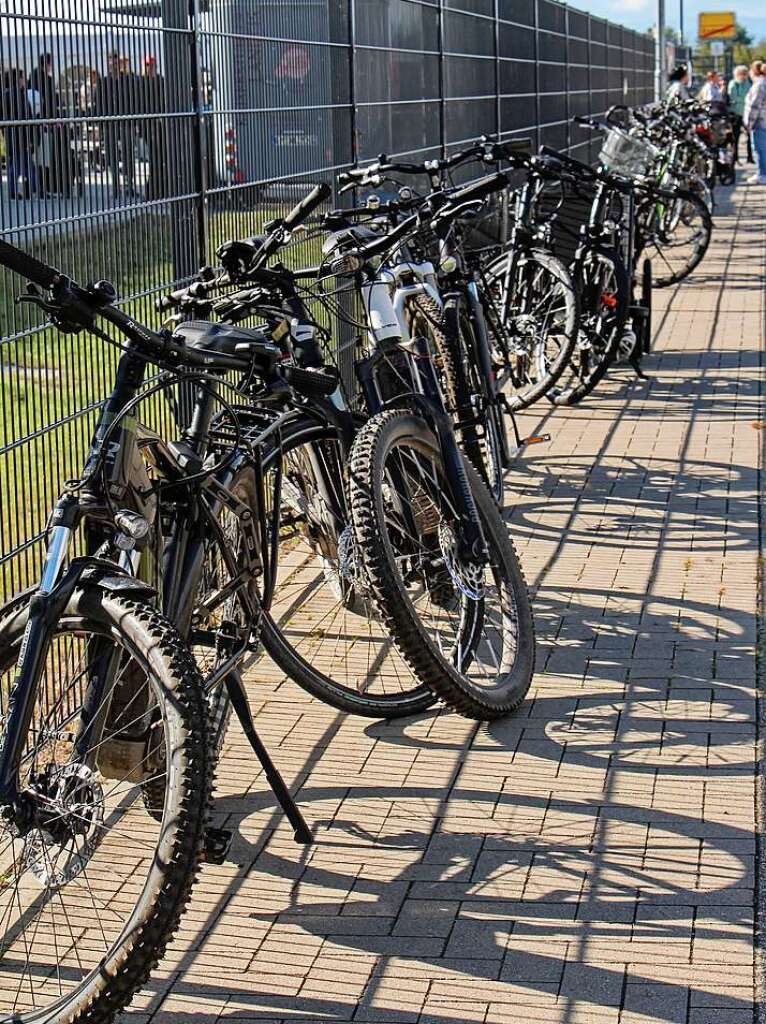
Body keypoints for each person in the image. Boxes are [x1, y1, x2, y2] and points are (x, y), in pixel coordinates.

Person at [1, 67, 37, 198]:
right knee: (20, 165)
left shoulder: (5, 95)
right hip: (21, 136)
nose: (25, 80)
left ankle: (31, 188)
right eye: (23, 77)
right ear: (19, 79)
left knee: (19, 164)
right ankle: (34, 188)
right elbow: (26, 117)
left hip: (10, 135)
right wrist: (31, 139)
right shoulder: (20, 95)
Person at [141, 55, 168, 199]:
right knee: (154, 157)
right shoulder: (141, 82)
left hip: (160, 124)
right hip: (147, 125)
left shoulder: (161, 81)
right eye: (147, 65)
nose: (149, 68)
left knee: (162, 156)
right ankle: (153, 189)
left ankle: (161, 187)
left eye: (151, 65)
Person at [744, 60, 766, 185]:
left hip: (760, 122)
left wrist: (748, 123)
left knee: (760, 149)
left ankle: (762, 173)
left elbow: (754, 106)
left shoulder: (759, 85)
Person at [728, 65, 754, 164]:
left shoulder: (748, 83)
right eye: (741, 74)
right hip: (736, 113)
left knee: (749, 136)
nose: (743, 76)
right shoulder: (733, 84)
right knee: (736, 137)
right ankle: (735, 157)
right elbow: (733, 97)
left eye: (745, 74)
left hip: (747, 113)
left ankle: (750, 157)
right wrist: (744, 100)